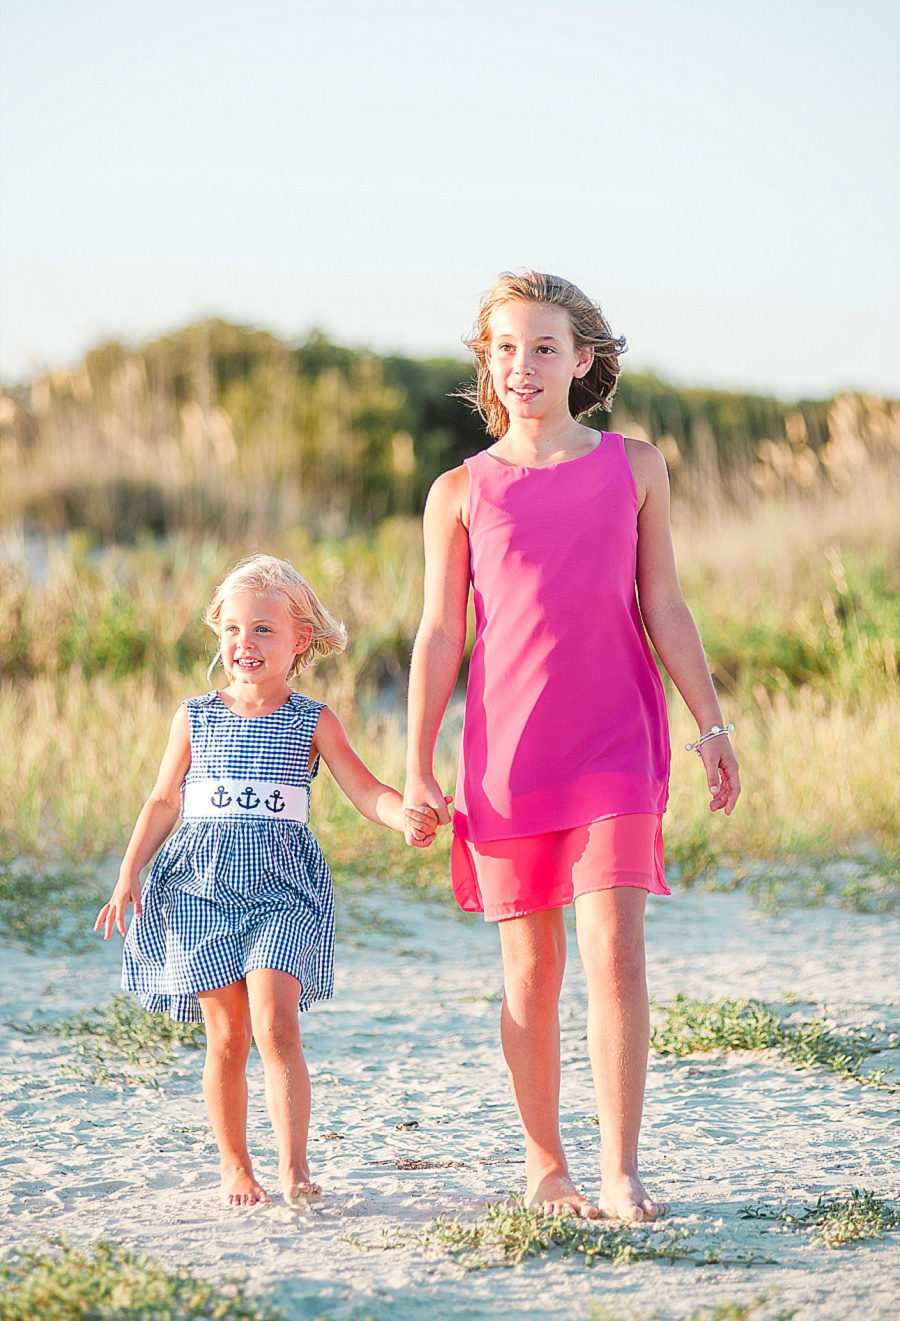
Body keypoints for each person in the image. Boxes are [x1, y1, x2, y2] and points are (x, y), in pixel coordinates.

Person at [403, 271, 740, 1222]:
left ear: (582, 360)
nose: (522, 366)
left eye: (544, 347)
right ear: (487, 364)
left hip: (618, 744)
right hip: (507, 756)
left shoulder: (636, 467)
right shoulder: (458, 492)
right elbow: (438, 634)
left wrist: (711, 724)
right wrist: (419, 762)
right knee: (530, 971)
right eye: (505, 349)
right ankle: (546, 1167)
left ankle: (623, 1168)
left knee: (615, 954)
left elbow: (664, 602)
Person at [96, 553, 438, 1208]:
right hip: (201, 892)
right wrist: (128, 871)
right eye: (232, 630)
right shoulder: (194, 717)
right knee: (226, 1037)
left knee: (277, 1025)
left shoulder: (311, 720)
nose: (243, 644)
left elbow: (367, 792)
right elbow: (163, 800)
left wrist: (404, 818)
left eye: (262, 631)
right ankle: (234, 1167)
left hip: (281, 892)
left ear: (299, 640)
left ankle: (294, 1167)